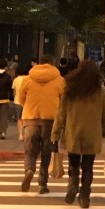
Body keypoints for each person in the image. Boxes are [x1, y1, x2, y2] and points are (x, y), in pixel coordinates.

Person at [51, 60, 105, 209]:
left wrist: (56, 133)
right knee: (88, 166)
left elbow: (61, 113)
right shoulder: (99, 90)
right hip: (92, 134)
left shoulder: (70, 88)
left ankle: (73, 185)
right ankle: (84, 195)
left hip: (73, 132)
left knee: (73, 163)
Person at [19, 54, 64, 194]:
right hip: (50, 120)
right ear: (52, 63)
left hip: (30, 118)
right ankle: (42, 184)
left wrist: (28, 108)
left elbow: (21, 98)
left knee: (30, 151)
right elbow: (64, 101)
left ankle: (29, 170)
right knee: (46, 153)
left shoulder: (27, 79)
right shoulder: (59, 80)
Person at [11, 65, 28, 141]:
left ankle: (20, 135)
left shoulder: (16, 80)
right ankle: (26, 134)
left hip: (17, 101)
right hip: (27, 102)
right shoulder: (28, 79)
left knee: (19, 119)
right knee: (27, 119)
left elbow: (14, 92)